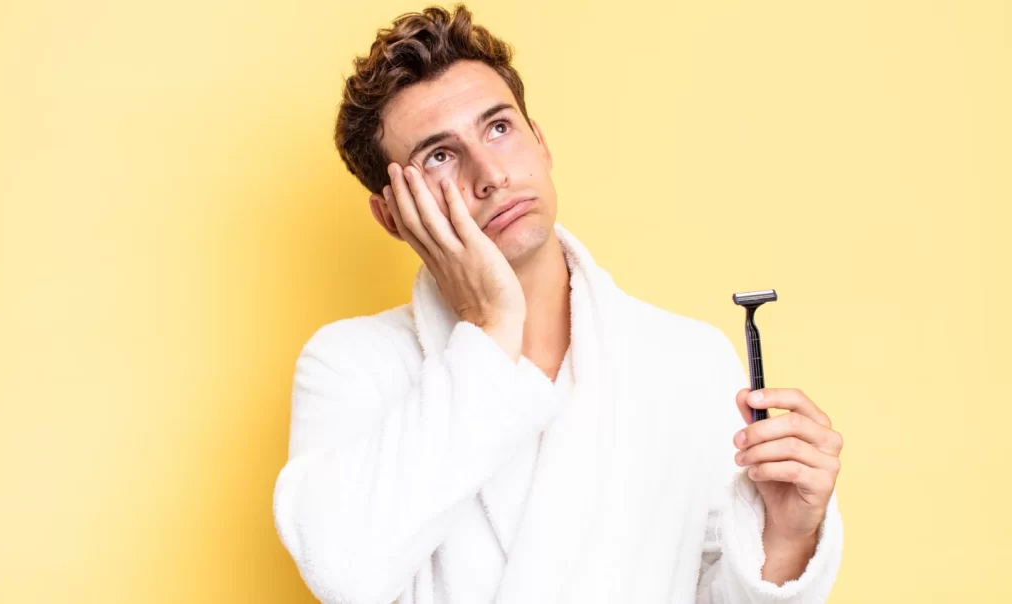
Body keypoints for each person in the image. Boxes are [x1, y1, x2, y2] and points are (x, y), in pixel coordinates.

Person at [273, 5, 844, 603]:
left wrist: (785, 539)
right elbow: (343, 571)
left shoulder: (688, 361)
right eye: (439, 156)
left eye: (499, 128)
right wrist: (489, 328)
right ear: (393, 214)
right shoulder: (350, 367)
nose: (490, 174)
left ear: (539, 142)